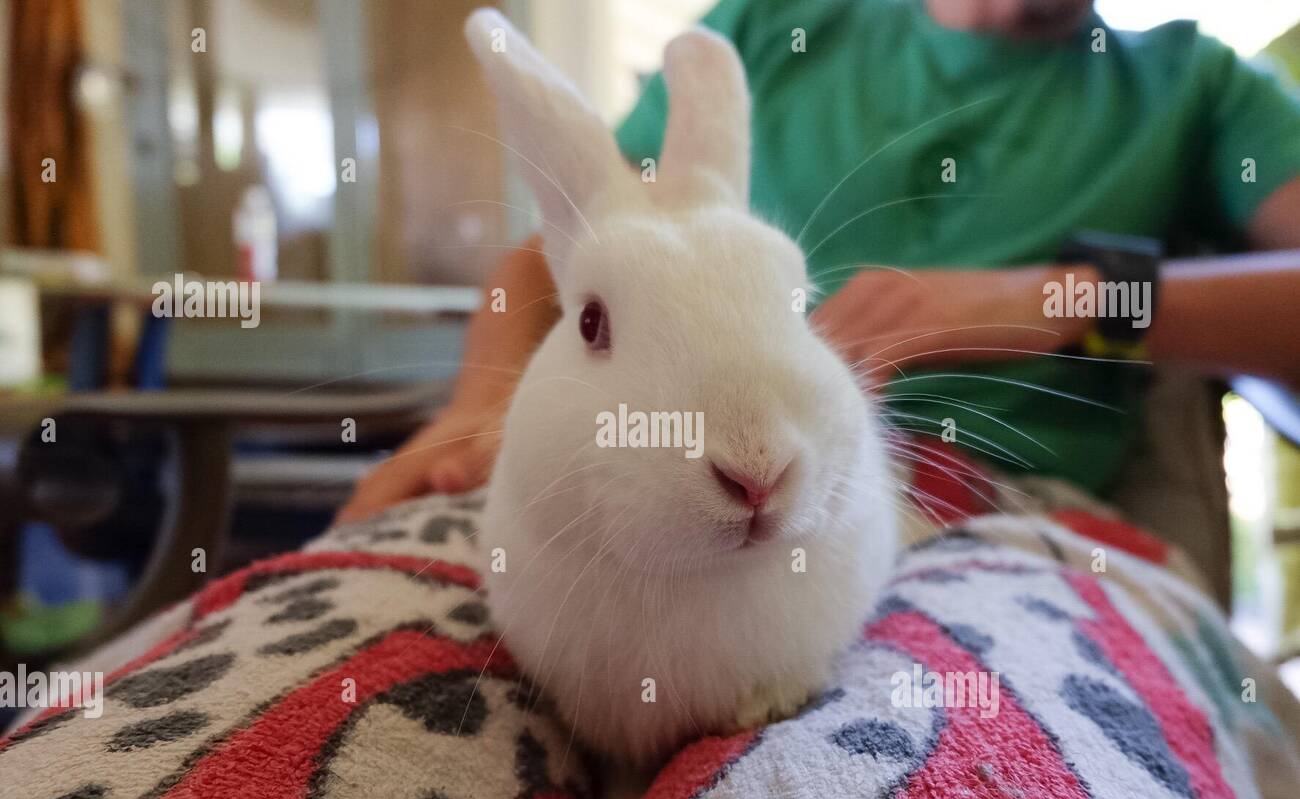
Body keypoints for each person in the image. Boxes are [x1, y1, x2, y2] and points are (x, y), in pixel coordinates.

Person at [336, 0, 1300, 524]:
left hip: (987, 518)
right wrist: (478, 408)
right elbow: (570, 252)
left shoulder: (1201, 87)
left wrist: (1064, 296)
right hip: (638, 468)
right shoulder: (772, 27)